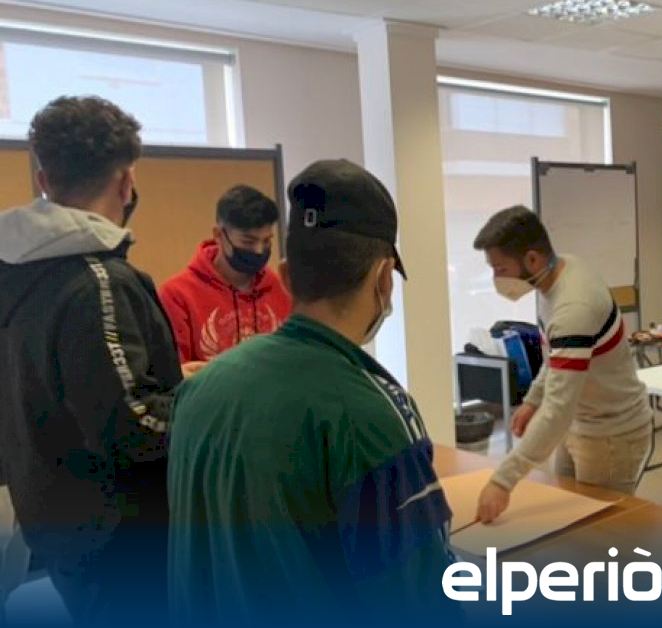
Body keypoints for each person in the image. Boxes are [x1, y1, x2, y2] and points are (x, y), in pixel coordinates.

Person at [167, 160, 456, 625]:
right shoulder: (368, 411)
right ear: (384, 278)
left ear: (285, 275)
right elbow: (420, 598)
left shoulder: (198, 389)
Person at [0, 96, 183, 625]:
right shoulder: (97, 281)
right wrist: (208, 394)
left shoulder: (16, 274)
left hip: (55, 527)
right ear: (126, 182)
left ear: (42, 178)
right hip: (123, 545)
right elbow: (135, 427)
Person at [473, 206, 653, 523]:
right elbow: (556, 355)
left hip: (610, 435)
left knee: (600, 535)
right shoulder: (559, 274)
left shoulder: (574, 307)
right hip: (580, 425)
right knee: (569, 523)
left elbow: (558, 410)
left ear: (532, 259)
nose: (496, 279)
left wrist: (502, 481)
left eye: (501, 269)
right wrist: (533, 400)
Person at [158, 184, 291, 364]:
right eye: (248, 241)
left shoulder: (281, 288)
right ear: (219, 235)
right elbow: (176, 372)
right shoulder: (177, 295)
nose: (259, 250)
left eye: (267, 241)